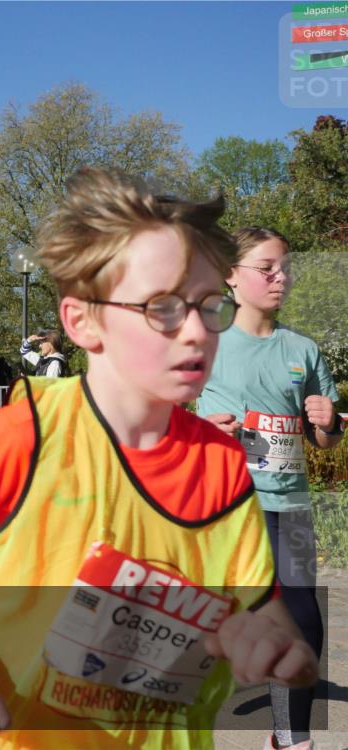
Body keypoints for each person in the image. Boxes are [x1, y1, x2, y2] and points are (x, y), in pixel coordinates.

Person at [0, 168, 317, 750]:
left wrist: (277, 649)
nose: (195, 333)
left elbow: (270, 617)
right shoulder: (28, 435)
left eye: (210, 306)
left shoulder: (221, 464)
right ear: (82, 319)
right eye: (161, 307)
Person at [197, 226, 342, 750]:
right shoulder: (204, 343)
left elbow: (324, 441)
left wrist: (327, 422)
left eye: (284, 267)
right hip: (224, 506)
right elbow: (162, 417)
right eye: (266, 268)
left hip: (291, 505)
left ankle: (290, 739)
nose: (280, 277)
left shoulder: (302, 349)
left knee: (304, 618)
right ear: (231, 277)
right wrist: (201, 427)